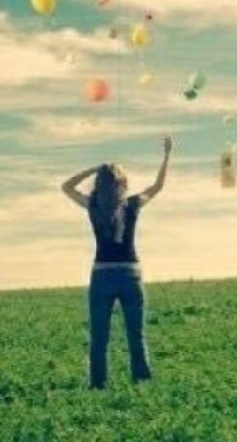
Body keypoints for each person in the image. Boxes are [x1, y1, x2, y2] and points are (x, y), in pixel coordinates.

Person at [62, 136, 173, 390]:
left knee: (99, 338)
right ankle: (141, 385)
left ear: (99, 183)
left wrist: (93, 170)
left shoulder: (93, 204)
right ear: (123, 183)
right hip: (130, 274)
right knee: (136, 335)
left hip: (101, 275)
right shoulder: (133, 204)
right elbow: (157, 187)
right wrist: (167, 155)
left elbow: (66, 187)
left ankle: (98, 386)